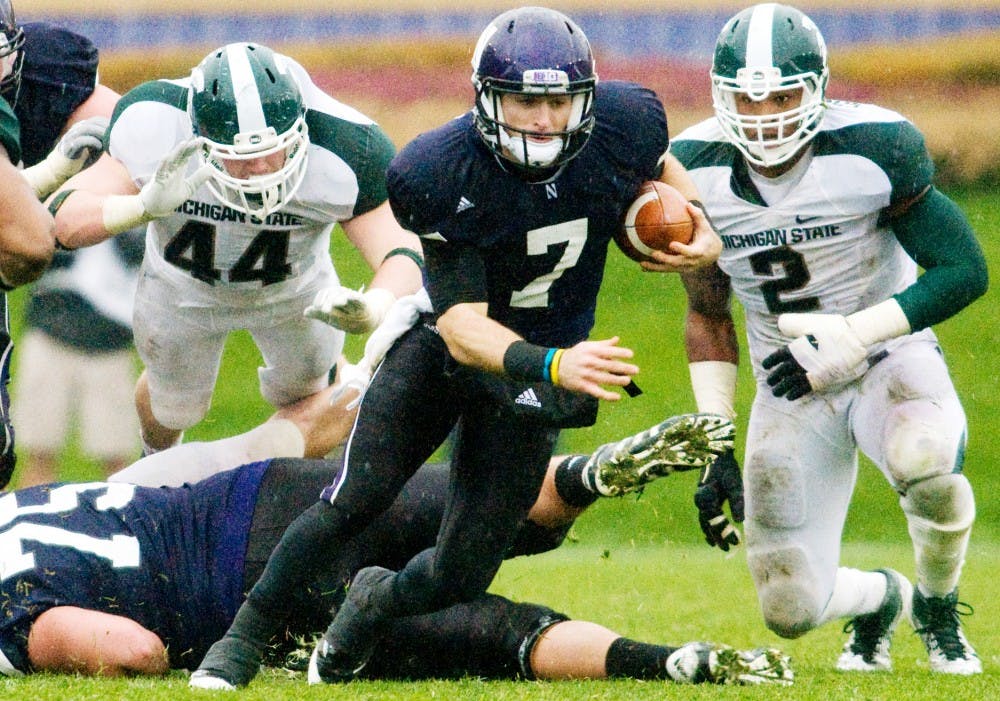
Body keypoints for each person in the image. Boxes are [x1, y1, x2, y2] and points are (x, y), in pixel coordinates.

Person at [192, 6, 725, 689]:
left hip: (539, 364)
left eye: (558, 100)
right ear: (485, 99)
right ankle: (241, 637)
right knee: (354, 496)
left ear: (584, 99)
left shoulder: (623, 122)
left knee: (459, 572)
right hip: (446, 352)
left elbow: (655, 162)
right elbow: (462, 328)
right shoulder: (438, 170)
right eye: (523, 100)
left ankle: (372, 601)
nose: (541, 118)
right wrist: (559, 363)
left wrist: (697, 221)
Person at [0, 383, 791, 685]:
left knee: (481, 636)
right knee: (482, 506)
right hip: (259, 495)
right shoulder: (16, 507)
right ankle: (591, 471)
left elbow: (128, 646)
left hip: (245, 591)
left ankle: (671, 664)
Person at [672, 2, 988, 676]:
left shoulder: (876, 147)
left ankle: (936, 604)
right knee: (789, 606)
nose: (764, 117)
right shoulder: (690, 172)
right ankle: (881, 598)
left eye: (782, 95)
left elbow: (966, 269)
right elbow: (707, 313)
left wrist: (856, 332)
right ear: (719, 95)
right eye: (746, 100)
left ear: (817, 88)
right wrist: (712, 439)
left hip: (886, 355)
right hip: (789, 383)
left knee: (924, 456)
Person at [46, 41, 424, 457]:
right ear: (198, 135)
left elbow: (404, 251)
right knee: (172, 408)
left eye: (270, 151)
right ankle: (156, 469)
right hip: (181, 286)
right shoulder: (155, 122)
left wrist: (375, 304)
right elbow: (61, 220)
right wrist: (139, 206)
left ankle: (290, 486)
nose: (260, 169)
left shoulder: (345, 146)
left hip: (294, 291)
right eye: (240, 157)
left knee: (308, 388)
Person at [3, 16, 145, 487]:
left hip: (104, 335)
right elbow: (27, 243)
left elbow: (124, 133)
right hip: (51, 324)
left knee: (118, 464)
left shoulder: (44, 69)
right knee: (32, 454)